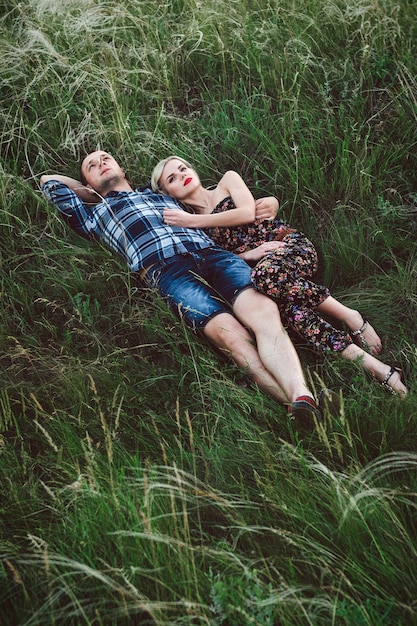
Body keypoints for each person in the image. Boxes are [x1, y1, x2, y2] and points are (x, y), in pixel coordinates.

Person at [40, 150, 332, 424]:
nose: (101, 163)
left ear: (122, 167)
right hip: (167, 272)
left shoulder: (159, 194)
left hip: (215, 257)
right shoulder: (91, 215)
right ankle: (297, 406)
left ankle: (300, 393)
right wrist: (87, 191)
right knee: (230, 335)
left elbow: (208, 203)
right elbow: (48, 181)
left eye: (106, 158)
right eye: (92, 166)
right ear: (88, 182)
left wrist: (269, 202)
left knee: (264, 315)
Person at [150, 156, 407, 398]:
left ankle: (350, 316)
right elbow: (214, 262)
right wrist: (250, 253)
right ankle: (380, 370)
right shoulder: (187, 229)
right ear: (166, 194)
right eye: (171, 178)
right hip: (264, 270)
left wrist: (194, 220)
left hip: (287, 246)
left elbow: (247, 213)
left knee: (266, 276)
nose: (181, 175)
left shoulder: (225, 183)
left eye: (182, 168)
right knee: (293, 315)